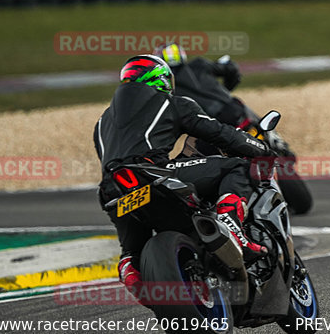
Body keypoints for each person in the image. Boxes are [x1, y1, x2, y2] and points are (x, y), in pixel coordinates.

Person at [94, 54, 272, 296]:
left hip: (113, 190)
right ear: (161, 79)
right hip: (151, 173)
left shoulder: (102, 121)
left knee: (132, 250)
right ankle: (231, 223)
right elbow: (218, 132)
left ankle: (130, 267)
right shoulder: (171, 103)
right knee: (236, 167)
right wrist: (258, 147)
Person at [153, 43, 247, 128]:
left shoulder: (166, 88)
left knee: (196, 146)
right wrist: (227, 89)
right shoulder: (199, 64)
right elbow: (231, 67)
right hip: (235, 106)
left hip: (213, 123)